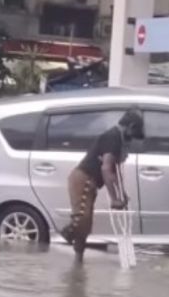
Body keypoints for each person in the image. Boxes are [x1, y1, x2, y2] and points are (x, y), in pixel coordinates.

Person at [60, 108, 145, 261]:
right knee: (82, 220)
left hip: (89, 182)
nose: (131, 141)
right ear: (130, 127)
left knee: (86, 226)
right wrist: (114, 199)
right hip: (83, 179)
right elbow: (106, 169)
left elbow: (116, 173)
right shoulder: (112, 137)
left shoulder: (118, 140)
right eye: (132, 136)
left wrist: (122, 194)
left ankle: (78, 264)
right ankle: (67, 233)